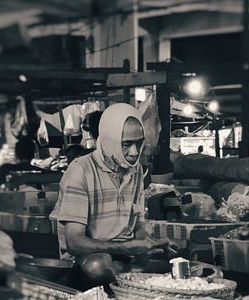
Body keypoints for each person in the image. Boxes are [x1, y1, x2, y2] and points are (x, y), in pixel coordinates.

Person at [52, 103, 179, 290]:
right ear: (108, 139)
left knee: (175, 264)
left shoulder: (135, 171)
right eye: (127, 144)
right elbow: (74, 242)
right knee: (99, 266)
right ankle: (128, 282)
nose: (134, 152)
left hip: (123, 256)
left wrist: (149, 244)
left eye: (139, 142)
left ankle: (128, 281)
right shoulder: (81, 171)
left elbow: (138, 227)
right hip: (85, 259)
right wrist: (128, 247)